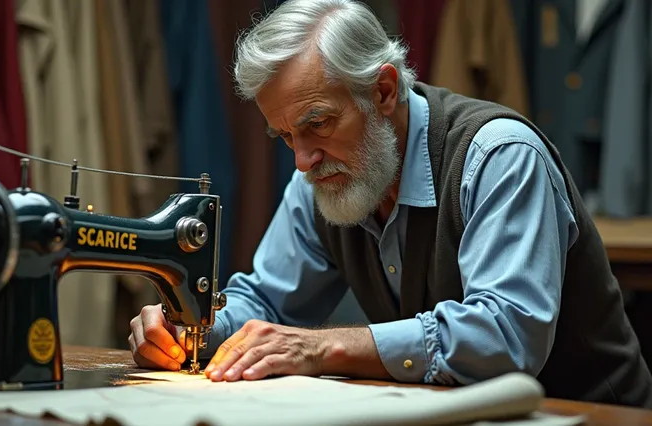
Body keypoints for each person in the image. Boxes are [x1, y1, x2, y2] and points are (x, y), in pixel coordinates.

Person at [128, 0, 652, 408]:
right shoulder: (323, 172)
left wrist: (319, 348)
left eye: (317, 124)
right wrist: (191, 328)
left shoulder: (499, 158)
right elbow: (265, 301)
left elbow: (506, 335)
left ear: (382, 90)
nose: (301, 161)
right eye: (284, 136)